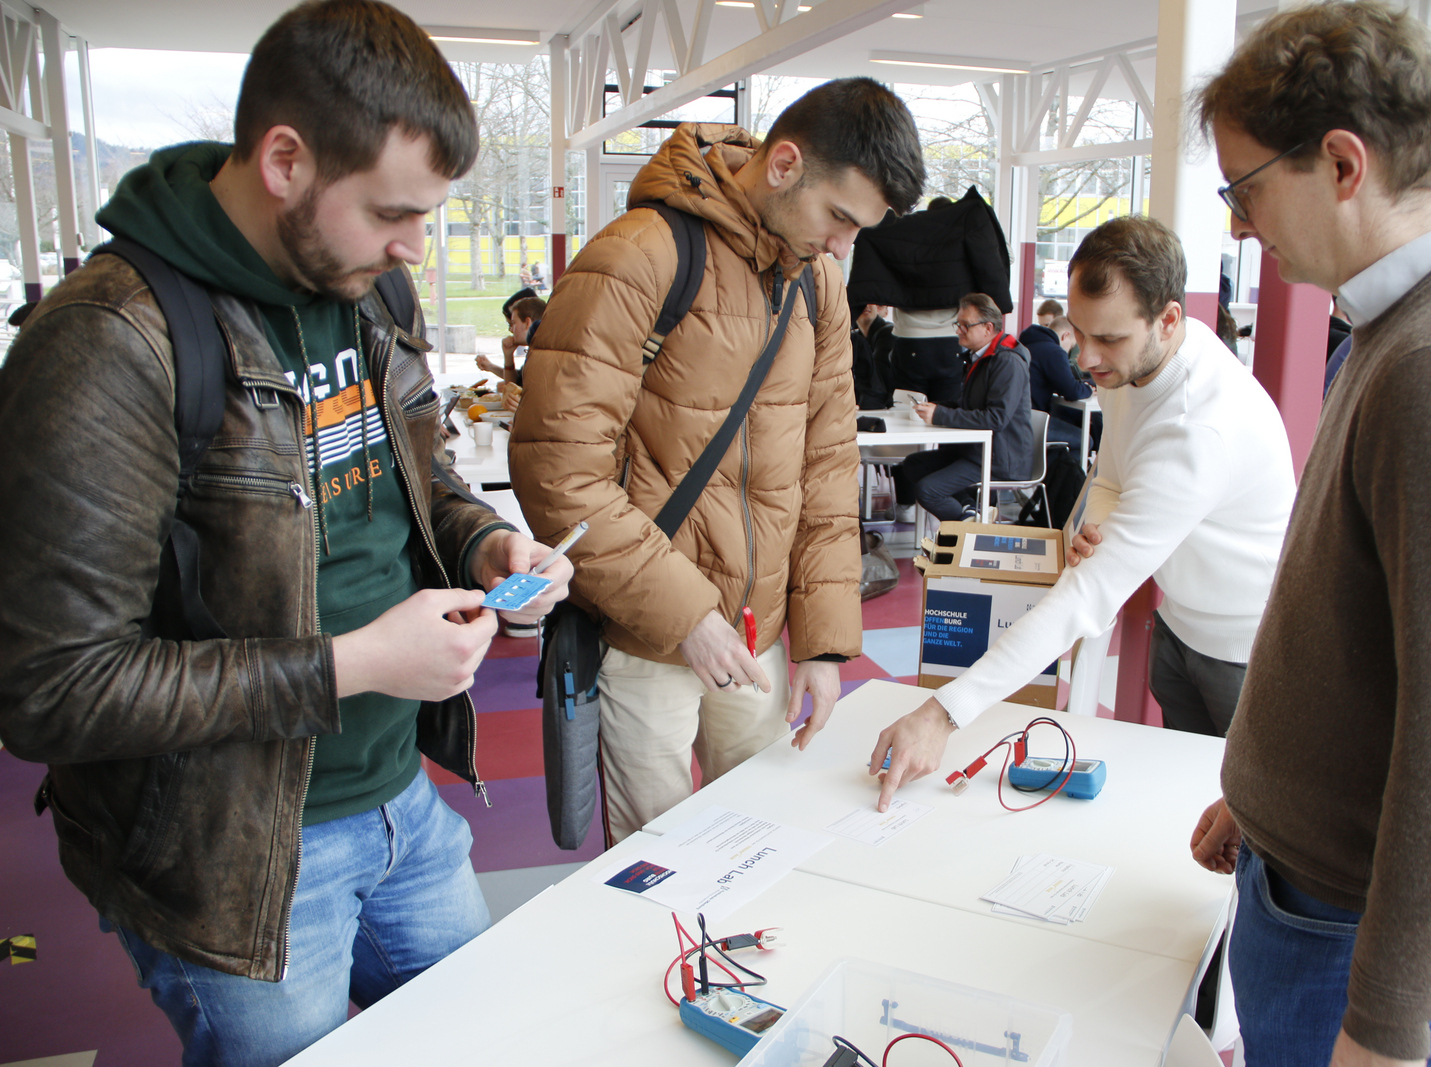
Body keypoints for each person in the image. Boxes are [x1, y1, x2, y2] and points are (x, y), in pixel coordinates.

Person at [0, 3, 574, 1064]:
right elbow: (53, 689)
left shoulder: (370, 287)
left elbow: (413, 478)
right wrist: (354, 665)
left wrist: (484, 544)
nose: (414, 248)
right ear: (284, 162)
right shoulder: (106, 342)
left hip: (403, 800)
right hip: (234, 858)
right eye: (392, 211)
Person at [1188, 4, 1431, 1066]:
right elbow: (1349, 618)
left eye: (1244, 189)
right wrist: (1262, 797)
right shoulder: (1400, 328)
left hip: (1351, 911)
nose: (1240, 227)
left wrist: (1386, 1023)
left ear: (1341, 163)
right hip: (1319, 867)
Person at [510, 78, 925, 845]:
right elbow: (559, 472)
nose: (845, 246)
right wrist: (688, 616)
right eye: (839, 217)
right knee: (655, 871)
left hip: (759, 640)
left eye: (860, 229)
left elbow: (827, 469)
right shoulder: (639, 256)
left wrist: (823, 641)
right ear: (785, 165)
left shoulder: (819, 286)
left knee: (758, 848)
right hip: (647, 641)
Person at [871, 214, 1295, 788]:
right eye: (1080, 332)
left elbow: (1086, 598)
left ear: (1168, 319)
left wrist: (943, 713)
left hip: (1244, 649)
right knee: (1185, 799)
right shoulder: (1138, 365)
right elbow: (1113, 474)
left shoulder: (1197, 428)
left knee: (1244, 812)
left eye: (1109, 339)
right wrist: (1098, 524)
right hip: (1179, 624)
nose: (1087, 359)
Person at [848, 186, 1013, 406]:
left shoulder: (903, 237)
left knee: (907, 417)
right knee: (945, 416)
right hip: (950, 342)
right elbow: (1002, 257)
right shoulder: (963, 239)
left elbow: (872, 236)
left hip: (909, 341)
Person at [890, 292, 1033, 522]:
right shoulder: (980, 357)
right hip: (976, 451)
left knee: (928, 491)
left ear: (988, 328)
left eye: (965, 325)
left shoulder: (1007, 362)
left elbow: (995, 419)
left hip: (998, 459)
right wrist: (935, 407)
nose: (958, 330)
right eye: (958, 324)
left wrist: (940, 415)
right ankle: (970, 508)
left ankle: (969, 526)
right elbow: (967, 406)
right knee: (913, 465)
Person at [1018, 312, 1091, 449]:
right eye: (1071, 346)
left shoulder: (1025, 346)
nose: (1068, 351)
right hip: (1032, 421)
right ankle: (1065, 464)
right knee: (1086, 440)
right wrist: (1089, 389)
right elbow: (1072, 391)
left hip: (1018, 417)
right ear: (1065, 336)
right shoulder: (1054, 351)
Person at [477, 294, 545, 385]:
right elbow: (513, 386)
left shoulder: (542, 356)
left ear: (527, 323)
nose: (511, 330)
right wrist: (508, 356)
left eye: (513, 323)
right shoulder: (536, 350)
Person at [852, 302, 895, 409]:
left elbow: (878, 379)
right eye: (861, 302)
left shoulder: (888, 333)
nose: (866, 305)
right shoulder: (855, 338)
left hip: (885, 403)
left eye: (870, 301)